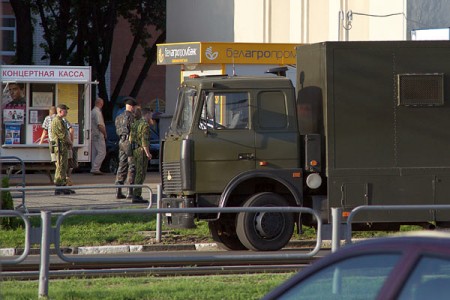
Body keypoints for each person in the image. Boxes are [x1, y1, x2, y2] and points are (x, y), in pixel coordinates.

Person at [115, 97, 138, 201]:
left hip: (121, 142)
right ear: (132, 107)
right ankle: (130, 191)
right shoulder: (132, 117)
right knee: (132, 166)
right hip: (129, 142)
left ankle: (118, 191)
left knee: (121, 165)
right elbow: (134, 131)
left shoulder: (118, 117)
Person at [129, 105, 153, 203]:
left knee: (137, 171)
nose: (151, 116)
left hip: (135, 150)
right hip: (141, 151)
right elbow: (144, 140)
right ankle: (136, 195)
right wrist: (148, 153)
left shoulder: (135, 123)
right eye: (150, 114)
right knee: (141, 173)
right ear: (147, 114)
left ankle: (135, 193)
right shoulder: (145, 125)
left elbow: (130, 138)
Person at [51, 104, 75, 195]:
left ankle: (63, 185)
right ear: (60, 110)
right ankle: (58, 186)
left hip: (63, 146)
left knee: (64, 167)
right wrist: (70, 143)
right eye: (65, 110)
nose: (67, 112)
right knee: (60, 166)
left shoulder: (61, 120)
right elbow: (63, 135)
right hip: (60, 147)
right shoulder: (57, 121)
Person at [90, 97, 107, 175]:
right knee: (102, 152)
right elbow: (100, 125)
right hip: (98, 135)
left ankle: (94, 167)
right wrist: (105, 134)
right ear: (101, 103)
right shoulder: (97, 112)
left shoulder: (92, 111)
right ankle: (96, 168)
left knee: (95, 153)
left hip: (93, 134)